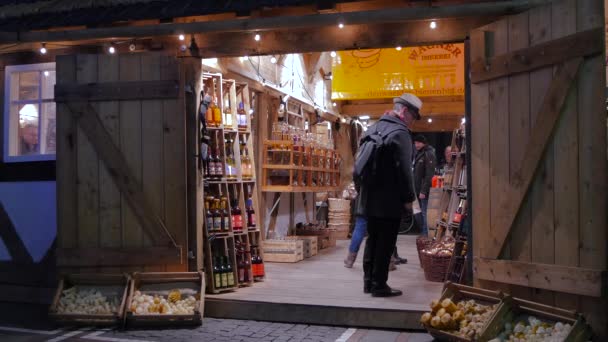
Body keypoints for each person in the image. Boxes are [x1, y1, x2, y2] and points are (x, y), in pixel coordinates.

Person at [357, 93, 420, 297]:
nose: (412, 121)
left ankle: (369, 282)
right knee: (386, 242)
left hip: (369, 198)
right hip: (389, 200)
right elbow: (404, 171)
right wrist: (408, 199)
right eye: (412, 116)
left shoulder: (373, 128)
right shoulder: (400, 133)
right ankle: (379, 285)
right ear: (403, 111)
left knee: (372, 239)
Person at [413, 134, 436, 235]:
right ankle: (423, 232)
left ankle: (425, 234)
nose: (416, 145)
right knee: (417, 212)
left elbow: (429, 174)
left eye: (418, 143)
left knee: (424, 212)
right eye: (415, 143)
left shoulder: (428, 153)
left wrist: (424, 190)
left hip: (423, 190)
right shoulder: (419, 153)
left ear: (423, 143)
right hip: (417, 189)